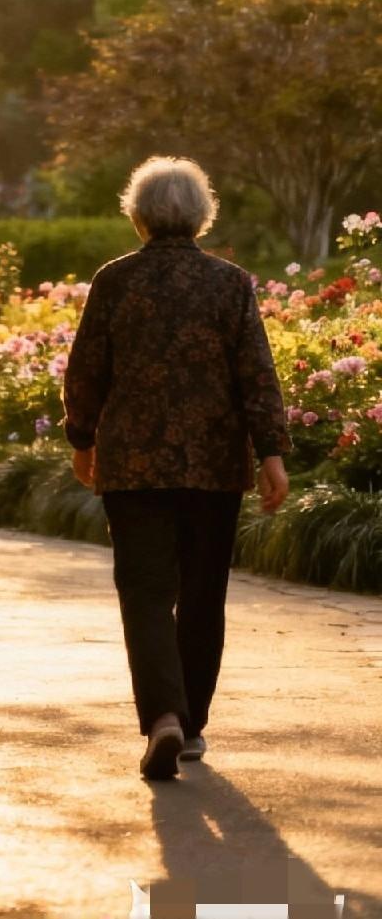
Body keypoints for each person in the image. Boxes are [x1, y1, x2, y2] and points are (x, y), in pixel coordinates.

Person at [63, 154, 290, 782]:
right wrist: (271, 455)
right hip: (214, 465)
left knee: (144, 591)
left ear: (137, 217)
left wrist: (82, 441)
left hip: (134, 463)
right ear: (201, 216)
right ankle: (189, 728)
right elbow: (257, 377)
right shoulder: (229, 284)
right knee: (202, 594)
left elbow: (87, 371)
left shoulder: (116, 280)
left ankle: (162, 714)